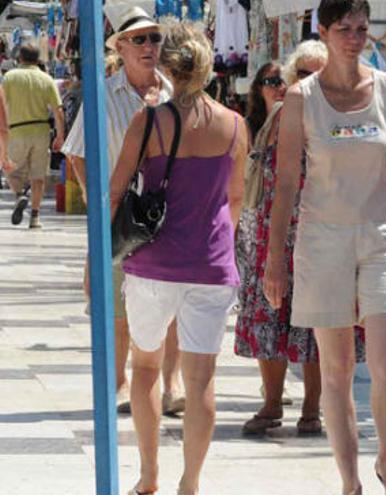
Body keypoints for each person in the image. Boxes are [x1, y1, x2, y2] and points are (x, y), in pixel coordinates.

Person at [263, 0, 386, 492]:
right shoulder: (301, 97)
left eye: (362, 28)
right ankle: (350, 479)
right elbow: (286, 185)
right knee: (335, 369)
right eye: (345, 29)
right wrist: (276, 258)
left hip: (382, 235)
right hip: (322, 239)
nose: (355, 38)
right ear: (323, 31)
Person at [108, 22, 246, 495]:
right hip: (211, 265)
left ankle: (149, 477)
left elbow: (115, 191)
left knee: (145, 368)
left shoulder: (149, 122)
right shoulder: (234, 125)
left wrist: (103, 252)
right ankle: (191, 483)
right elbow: (236, 200)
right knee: (200, 378)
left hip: (153, 265)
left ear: (167, 67)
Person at [235, 46, 366, 437]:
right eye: (302, 73)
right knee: (268, 318)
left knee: (319, 324)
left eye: (318, 72)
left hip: (325, 232)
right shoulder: (278, 118)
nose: (310, 81)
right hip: (273, 232)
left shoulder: (341, 117)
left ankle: (313, 408)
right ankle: (272, 402)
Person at [64, 5, 185, 416]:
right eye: (140, 39)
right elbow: (76, 153)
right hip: (120, 215)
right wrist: (99, 200)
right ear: (120, 46)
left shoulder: (174, 92)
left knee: (171, 303)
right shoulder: (102, 94)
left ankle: (171, 383)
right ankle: (119, 382)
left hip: (168, 214)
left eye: (154, 38)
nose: (150, 46)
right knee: (116, 304)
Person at [0, 42, 64, 229]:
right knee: (38, 177)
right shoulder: (46, 79)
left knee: (10, 170)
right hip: (41, 131)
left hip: (16, 131)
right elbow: (58, 111)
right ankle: (35, 218)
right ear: (38, 59)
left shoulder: (9, 77)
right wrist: (60, 136)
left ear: (19, 58)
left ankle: (20, 195)